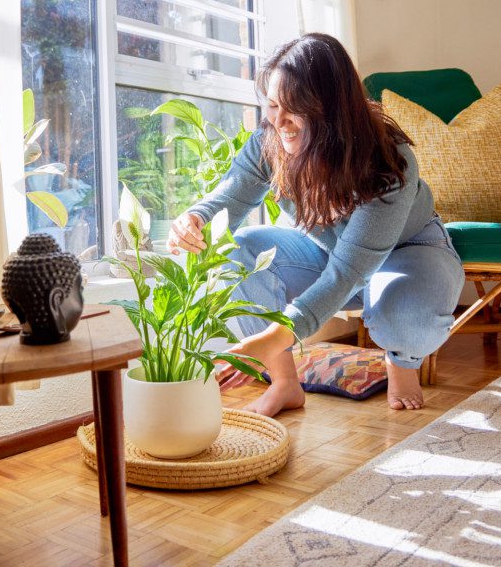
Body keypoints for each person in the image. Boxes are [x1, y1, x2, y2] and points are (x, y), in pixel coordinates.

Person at [166, 33, 464, 417]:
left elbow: (349, 272)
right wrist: (196, 218)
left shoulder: (388, 161)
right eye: (272, 105)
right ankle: (286, 384)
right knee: (240, 251)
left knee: (406, 319)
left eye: (294, 109)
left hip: (409, 252)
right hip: (328, 253)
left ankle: (402, 361)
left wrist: (273, 335)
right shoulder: (270, 140)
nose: (279, 121)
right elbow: (231, 195)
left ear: (333, 109)